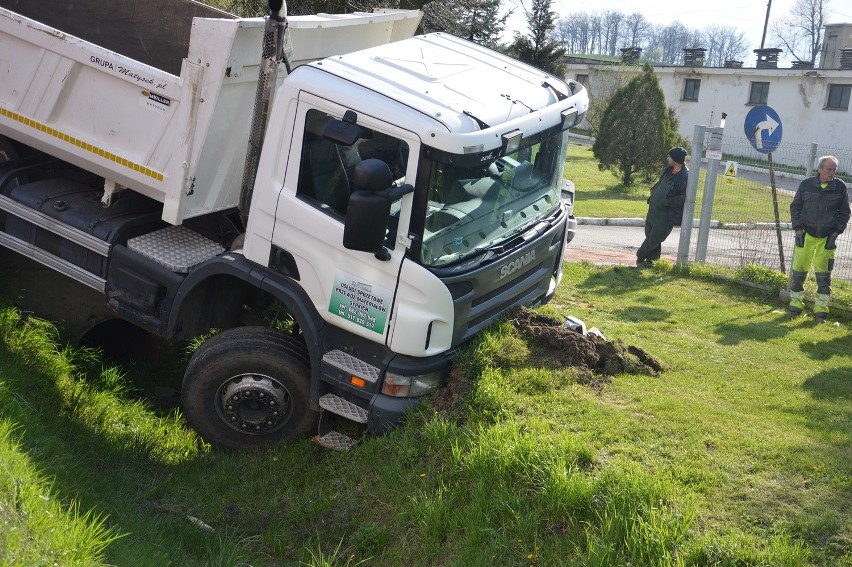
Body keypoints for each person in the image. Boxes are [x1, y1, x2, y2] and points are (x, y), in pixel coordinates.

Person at [788, 155, 850, 322]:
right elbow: (795, 208)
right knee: (798, 273)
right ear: (820, 169)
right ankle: (795, 305)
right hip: (806, 236)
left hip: (826, 239)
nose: (832, 173)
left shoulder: (840, 187)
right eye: (829, 169)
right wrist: (798, 230)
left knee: (823, 277)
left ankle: (820, 311)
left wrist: (836, 233)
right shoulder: (806, 185)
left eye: (834, 170)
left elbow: (845, 213)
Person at [636, 147, 689, 267]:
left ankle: (640, 255)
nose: (667, 158)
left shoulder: (684, 176)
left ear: (675, 159)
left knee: (655, 238)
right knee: (650, 235)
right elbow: (660, 184)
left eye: (669, 156)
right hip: (654, 210)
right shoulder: (668, 169)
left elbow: (683, 197)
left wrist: (666, 202)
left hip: (666, 214)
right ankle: (652, 262)